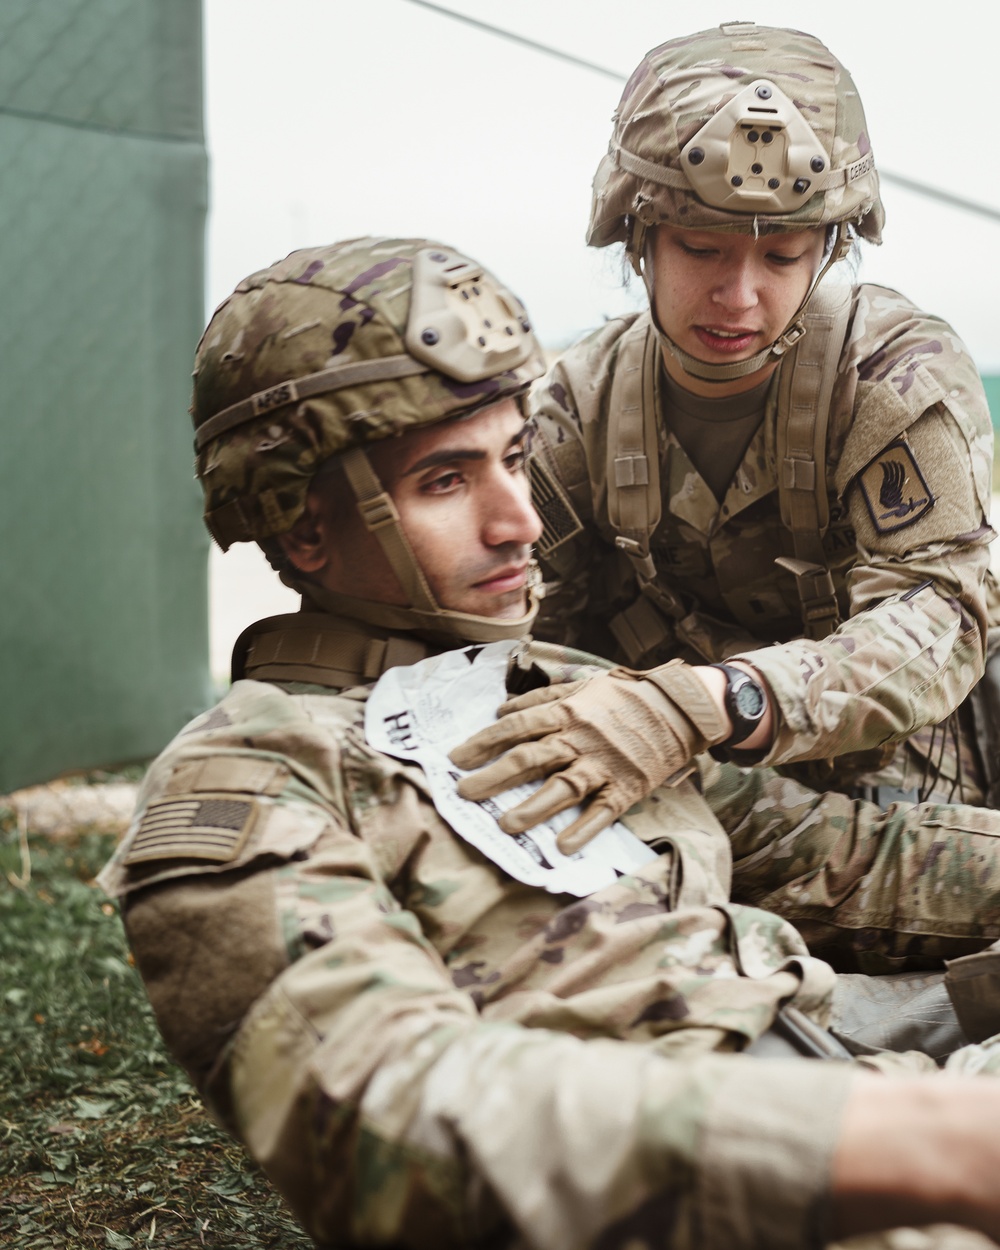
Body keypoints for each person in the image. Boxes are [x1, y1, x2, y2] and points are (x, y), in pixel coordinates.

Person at [100, 237, 1000, 1250]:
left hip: (844, 1062)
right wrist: (907, 1137)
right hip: (705, 1192)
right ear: (302, 528)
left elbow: (845, 859)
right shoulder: (250, 778)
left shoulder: (553, 686)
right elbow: (382, 1111)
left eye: (517, 458)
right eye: (447, 481)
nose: (519, 520)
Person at [455, 22, 1000, 853]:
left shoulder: (890, 375)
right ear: (635, 237)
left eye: (781, 257)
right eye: (700, 249)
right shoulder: (579, 410)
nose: (737, 297)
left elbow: (938, 618)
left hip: (898, 808)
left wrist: (716, 702)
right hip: (665, 797)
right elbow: (510, 637)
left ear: (829, 248)